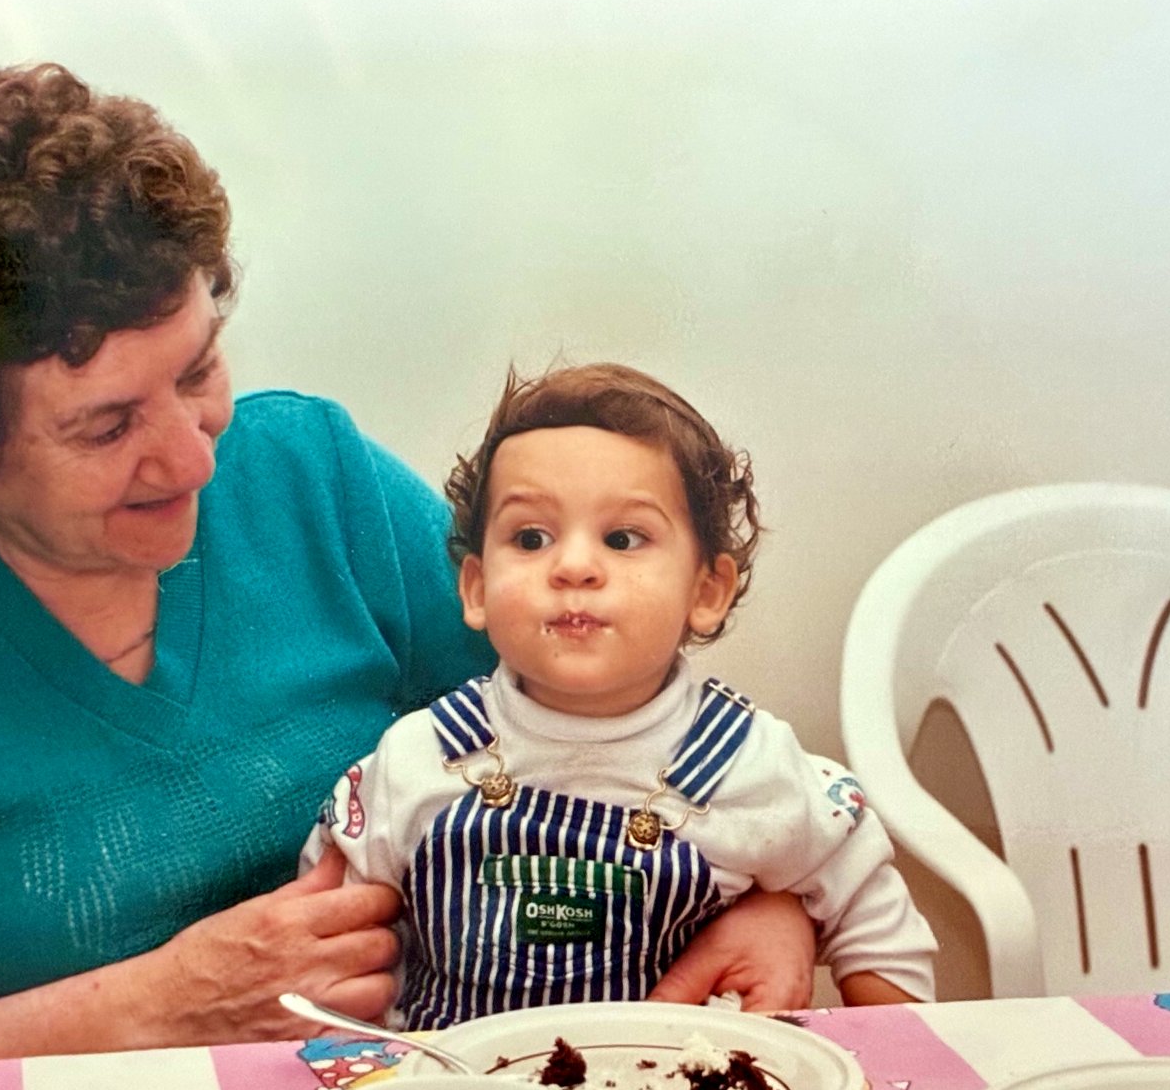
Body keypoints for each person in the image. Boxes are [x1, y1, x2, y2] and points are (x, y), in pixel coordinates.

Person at [0, 64, 816, 1075]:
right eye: (108, 428)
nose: (195, 457)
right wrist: (141, 1010)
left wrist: (762, 901)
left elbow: (609, 723)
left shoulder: (312, 476)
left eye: (199, 371)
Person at [305, 364, 936, 1029]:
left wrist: (894, 1052)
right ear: (477, 588)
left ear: (707, 592)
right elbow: (325, 958)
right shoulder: (414, 761)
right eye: (531, 538)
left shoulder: (753, 764)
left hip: (678, 1089)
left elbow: (874, 915)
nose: (574, 566)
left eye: (622, 539)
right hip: (453, 1088)